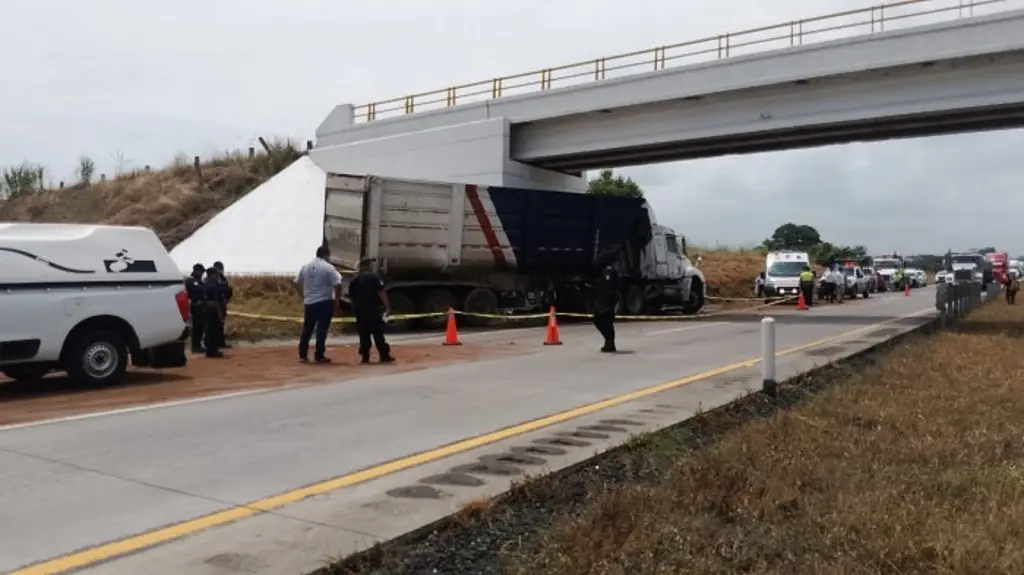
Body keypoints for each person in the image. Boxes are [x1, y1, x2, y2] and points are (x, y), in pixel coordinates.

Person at [295, 246, 343, 363]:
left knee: (307, 329)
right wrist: (337, 301)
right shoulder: (328, 268)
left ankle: (302, 354)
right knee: (322, 330)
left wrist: (303, 295)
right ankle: (319, 355)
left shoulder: (306, 267)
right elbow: (338, 284)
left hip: (309, 302)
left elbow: (296, 282)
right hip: (324, 302)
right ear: (326, 255)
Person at [347, 257, 395, 364]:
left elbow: (351, 298)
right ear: (368, 266)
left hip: (360, 312)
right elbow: (381, 293)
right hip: (373, 311)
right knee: (378, 335)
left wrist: (354, 310)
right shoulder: (374, 277)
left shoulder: (354, 280)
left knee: (363, 335)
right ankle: (384, 356)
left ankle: (365, 357)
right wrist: (387, 307)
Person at [591, 258, 621, 352]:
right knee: (598, 320)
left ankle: (610, 343)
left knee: (607, 322)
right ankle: (609, 342)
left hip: (608, 302)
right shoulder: (602, 272)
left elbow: (613, 288)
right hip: (603, 301)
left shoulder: (609, 272)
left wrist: (612, 301)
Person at [202, 266, 227, 358]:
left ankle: (210, 349)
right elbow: (215, 300)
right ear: (213, 274)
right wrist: (220, 314)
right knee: (213, 330)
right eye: (216, 274)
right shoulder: (213, 285)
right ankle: (212, 350)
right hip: (212, 310)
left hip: (206, 309)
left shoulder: (205, 283)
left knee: (209, 330)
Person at [185, 263, 207, 354]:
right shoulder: (191, 281)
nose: (201, 274)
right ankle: (196, 346)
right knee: (197, 327)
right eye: (201, 272)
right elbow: (199, 289)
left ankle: (198, 345)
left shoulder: (197, 280)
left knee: (200, 327)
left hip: (200, 306)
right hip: (195, 306)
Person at [212, 261, 233, 349]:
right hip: (214, 305)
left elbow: (228, 290)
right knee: (214, 325)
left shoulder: (223, 278)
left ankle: (221, 342)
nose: (220, 271)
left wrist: (226, 300)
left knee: (221, 324)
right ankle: (214, 343)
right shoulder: (211, 279)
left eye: (221, 269)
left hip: (222, 303)